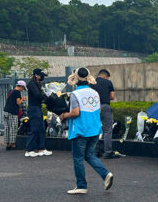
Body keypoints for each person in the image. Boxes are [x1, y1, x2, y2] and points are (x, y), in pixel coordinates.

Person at [60, 67, 114, 195]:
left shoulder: (75, 94)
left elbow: (75, 112)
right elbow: (98, 111)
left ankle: (81, 185)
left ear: (76, 78)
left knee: (78, 158)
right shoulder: (94, 93)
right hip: (95, 129)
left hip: (81, 130)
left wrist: (64, 115)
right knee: (89, 155)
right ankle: (106, 174)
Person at [25, 68, 53, 157]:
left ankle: (41, 149)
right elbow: (37, 95)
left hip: (37, 108)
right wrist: (45, 94)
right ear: (36, 75)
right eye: (41, 75)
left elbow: (40, 96)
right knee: (35, 129)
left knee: (41, 129)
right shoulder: (32, 84)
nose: (42, 77)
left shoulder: (37, 84)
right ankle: (29, 150)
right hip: (33, 109)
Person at [90, 69, 116, 159]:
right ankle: (108, 152)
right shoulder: (108, 82)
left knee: (95, 129)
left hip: (93, 108)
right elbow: (112, 97)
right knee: (107, 130)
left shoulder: (91, 83)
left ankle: (95, 151)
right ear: (105, 76)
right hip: (105, 106)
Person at [4, 81, 27, 150]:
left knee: (7, 128)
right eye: (23, 88)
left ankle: (7, 144)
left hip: (5, 111)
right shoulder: (17, 92)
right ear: (21, 86)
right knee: (13, 128)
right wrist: (22, 99)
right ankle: (13, 144)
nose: (22, 90)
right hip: (13, 112)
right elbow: (18, 102)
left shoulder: (10, 91)